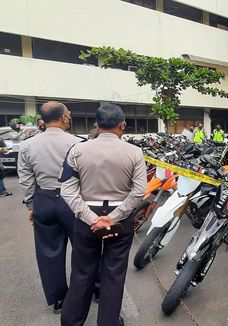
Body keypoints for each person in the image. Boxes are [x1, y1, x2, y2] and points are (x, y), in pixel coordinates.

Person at [60, 104, 146, 326]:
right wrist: (114, 217)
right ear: (122, 125)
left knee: (81, 272)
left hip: (86, 216)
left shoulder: (77, 150)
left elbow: (67, 190)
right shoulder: (134, 152)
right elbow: (139, 191)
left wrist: (90, 218)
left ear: (96, 125)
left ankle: (71, 322)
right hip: (120, 218)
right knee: (114, 273)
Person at [17, 101, 80, 313]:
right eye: (68, 114)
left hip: (44, 198)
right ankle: (96, 289)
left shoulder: (27, 145)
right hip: (73, 200)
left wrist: (31, 205)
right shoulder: (78, 143)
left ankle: (59, 299)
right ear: (63, 117)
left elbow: (26, 180)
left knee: (49, 251)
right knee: (85, 248)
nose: (70, 117)